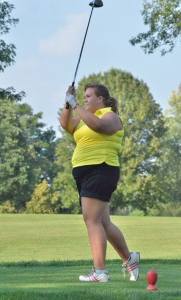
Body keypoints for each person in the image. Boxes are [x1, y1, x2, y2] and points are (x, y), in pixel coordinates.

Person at [60, 83, 140, 283]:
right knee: (103, 222)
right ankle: (130, 259)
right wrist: (68, 104)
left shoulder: (110, 116)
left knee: (91, 220)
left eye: (88, 96)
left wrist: (76, 104)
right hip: (84, 173)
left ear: (101, 99)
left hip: (101, 169)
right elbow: (66, 125)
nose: (85, 99)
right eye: (84, 96)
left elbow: (99, 127)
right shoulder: (82, 119)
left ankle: (100, 272)